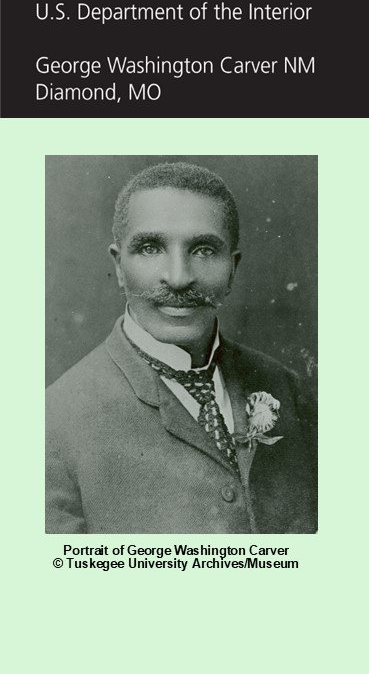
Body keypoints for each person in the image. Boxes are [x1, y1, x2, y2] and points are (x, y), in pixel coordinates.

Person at [46, 160, 317, 536]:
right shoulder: (52, 424)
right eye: (150, 247)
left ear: (233, 269)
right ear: (119, 266)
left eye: (204, 250)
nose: (178, 277)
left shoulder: (290, 390)